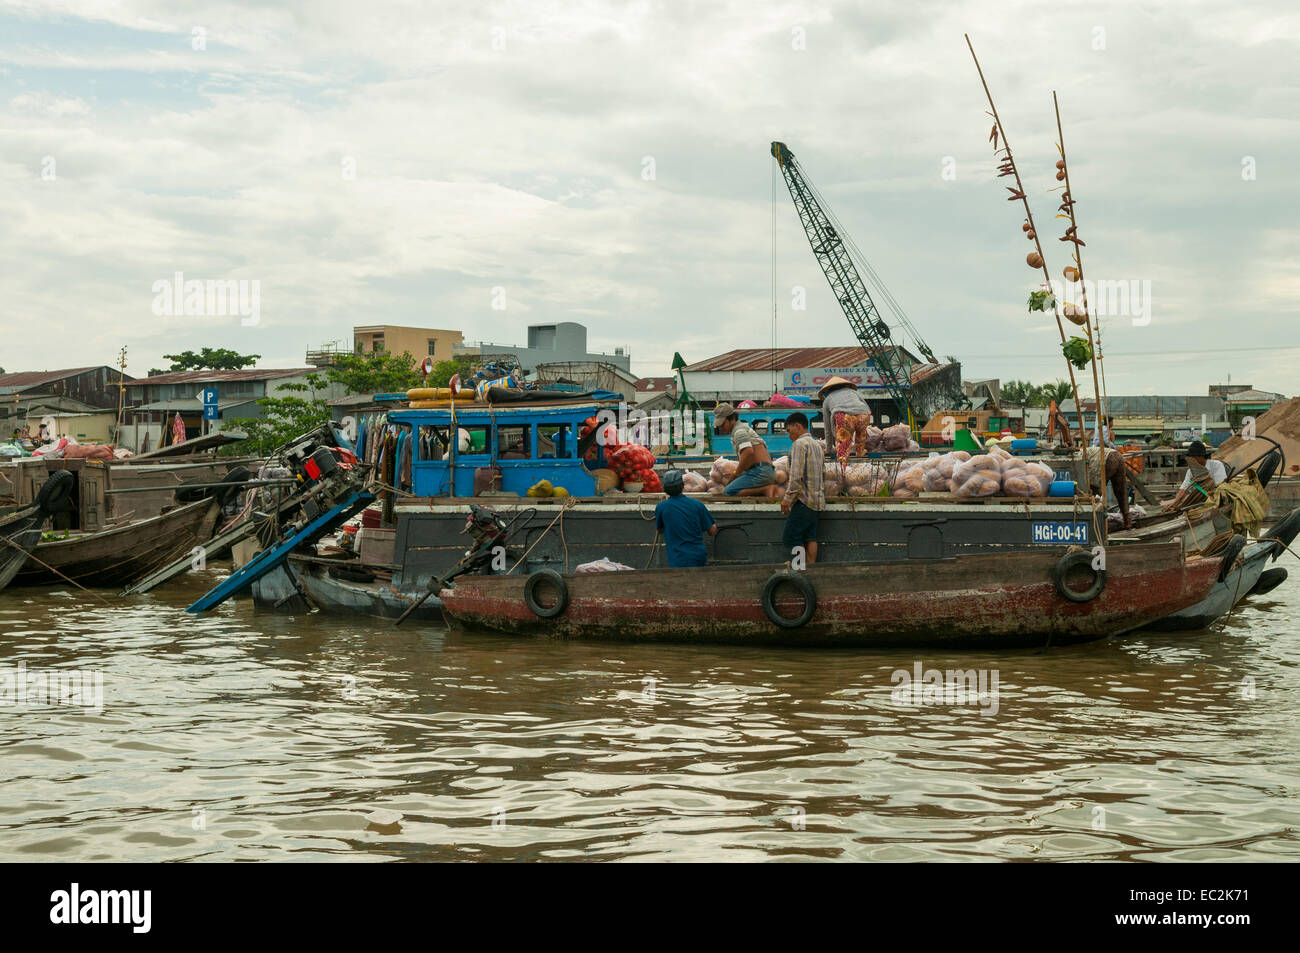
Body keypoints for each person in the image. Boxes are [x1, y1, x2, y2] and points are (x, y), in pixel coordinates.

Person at [781, 413, 825, 563]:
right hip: (817, 502)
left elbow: (796, 476)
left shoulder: (799, 444)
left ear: (797, 426)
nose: (789, 435)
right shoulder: (817, 445)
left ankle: (799, 567)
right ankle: (811, 568)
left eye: (789, 430)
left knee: (791, 537)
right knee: (810, 537)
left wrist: (787, 499)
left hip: (804, 501)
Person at [654, 468, 717, 567]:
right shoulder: (697, 504)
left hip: (677, 558)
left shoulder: (661, 507)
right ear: (683, 486)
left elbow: (660, 530)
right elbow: (712, 531)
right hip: (697, 556)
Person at [712, 402, 775, 496]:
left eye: (723, 424)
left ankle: (765, 490)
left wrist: (735, 473)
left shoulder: (739, 431)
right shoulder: (743, 428)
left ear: (732, 419)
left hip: (760, 472)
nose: (721, 428)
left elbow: (748, 452)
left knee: (728, 492)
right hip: (764, 470)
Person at [818, 376, 873, 467]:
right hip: (863, 415)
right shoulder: (853, 392)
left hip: (845, 417)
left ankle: (843, 470)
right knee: (861, 432)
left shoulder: (827, 400)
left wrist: (829, 448)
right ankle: (860, 451)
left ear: (828, 390)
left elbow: (827, 428)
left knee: (844, 443)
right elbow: (865, 405)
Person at [1163, 440, 1227, 512]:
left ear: (1201, 456)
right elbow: (1184, 488)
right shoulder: (1190, 471)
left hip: (1215, 499)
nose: (1191, 459)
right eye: (1191, 457)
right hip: (1199, 501)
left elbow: (1220, 485)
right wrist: (1175, 503)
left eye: (1194, 457)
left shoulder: (1216, 465)